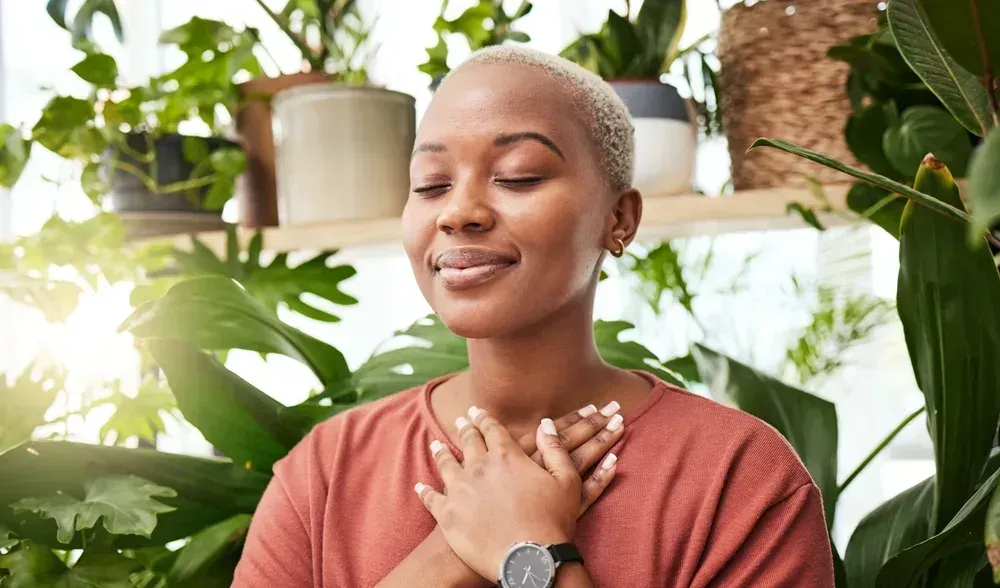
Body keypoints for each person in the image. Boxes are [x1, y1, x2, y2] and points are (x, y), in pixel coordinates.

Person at [233, 46, 835, 588]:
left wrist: (536, 555)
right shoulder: (328, 469)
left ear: (619, 219)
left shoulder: (739, 478)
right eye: (431, 184)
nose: (459, 212)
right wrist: (451, 552)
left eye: (517, 176)